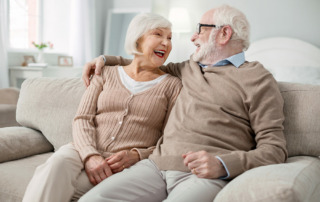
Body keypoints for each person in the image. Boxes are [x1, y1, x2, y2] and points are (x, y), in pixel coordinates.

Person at [80, 4, 287, 202]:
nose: (192, 37)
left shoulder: (258, 79)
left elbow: (274, 149)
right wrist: (106, 60)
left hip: (203, 175)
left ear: (224, 34)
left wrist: (223, 164)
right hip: (155, 166)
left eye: (200, 30)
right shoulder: (188, 67)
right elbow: (143, 63)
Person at [22, 13, 182, 202]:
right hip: (82, 148)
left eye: (170, 38)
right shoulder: (105, 73)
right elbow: (82, 118)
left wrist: (136, 155)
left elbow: (170, 139)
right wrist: (90, 155)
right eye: (158, 34)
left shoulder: (172, 85)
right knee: (56, 163)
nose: (166, 42)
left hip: (126, 164)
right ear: (137, 39)